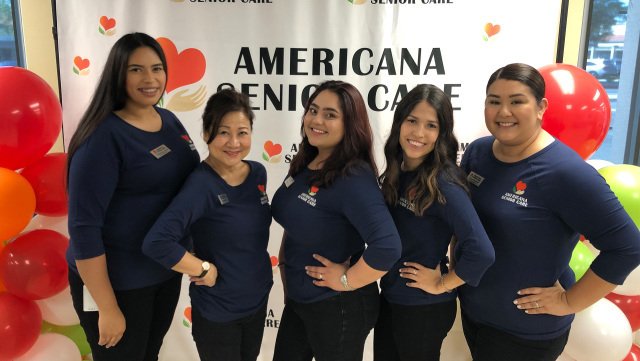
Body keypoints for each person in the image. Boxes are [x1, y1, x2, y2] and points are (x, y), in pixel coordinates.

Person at [459, 63, 640, 361]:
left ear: (541, 107)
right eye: (494, 101)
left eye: (517, 101)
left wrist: (569, 301)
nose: (503, 112)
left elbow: (627, 247)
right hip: (475, 312)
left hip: (525, 333)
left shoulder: (565, 172)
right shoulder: (477, 153)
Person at [66, 32, 200, 361]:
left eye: (157, 68)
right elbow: (84, 230)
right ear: (118, 74)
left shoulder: (168, 120)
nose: (150, 78)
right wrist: (107, 308)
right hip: (117, 285)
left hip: (163, 273)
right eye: (136, 69)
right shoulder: (102, 138)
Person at [271, 80, 402, 361]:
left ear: (349, 124)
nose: (316, 120)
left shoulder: (352, 176)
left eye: (330, 115)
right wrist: (285, 269)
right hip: (300, 299)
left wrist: (346, 279)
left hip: (338, 306)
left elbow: (387, 247)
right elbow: (295, 221)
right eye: (313, 110)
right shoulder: (309, 160)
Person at [142, 88, 272, 361]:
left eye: (242, 132)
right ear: (205, 133)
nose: (234, 142)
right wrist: (201, 268)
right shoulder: (201, 184)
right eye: (223, 132)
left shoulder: (257, 173)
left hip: (257, 302)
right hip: (219, 313)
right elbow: (157, 242)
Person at [373, 84, 495, 361]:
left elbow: (482, 251)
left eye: (430, 125)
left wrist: (442, 283)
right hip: (392, 296)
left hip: (423, 308)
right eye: (412, 121)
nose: (418, 133)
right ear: (399, 122)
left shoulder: (443, 182)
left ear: (441, 133)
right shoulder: (398, 170)